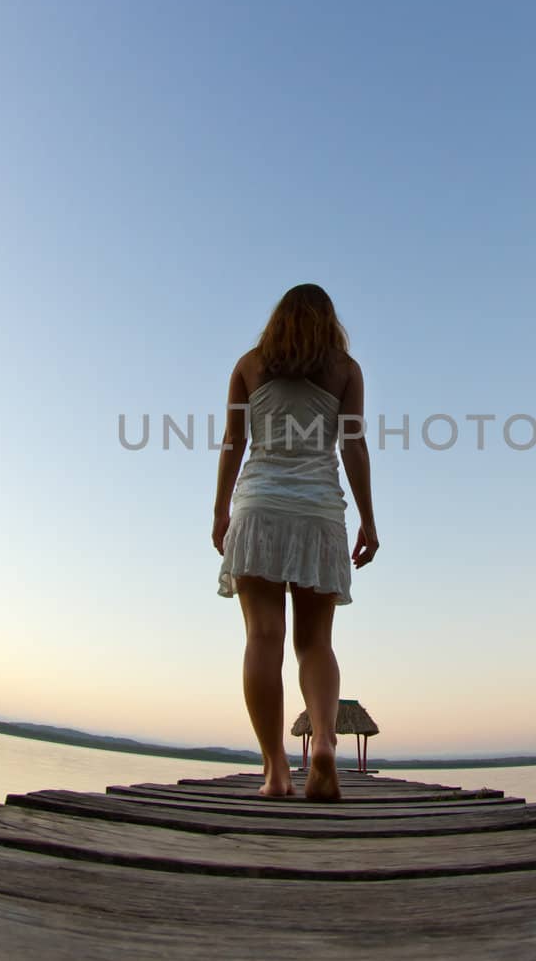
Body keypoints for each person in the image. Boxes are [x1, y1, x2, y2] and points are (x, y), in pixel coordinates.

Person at [212, 283, 379, 799]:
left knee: (263, 638)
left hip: (260, 507)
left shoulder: (249, 364)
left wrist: (220, 510)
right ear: (330, 322)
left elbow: (234, 442)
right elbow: (352, 445)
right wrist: (369, 522)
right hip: (319, 514)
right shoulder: (346, 371)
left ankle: (275, 770)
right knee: (315, 644)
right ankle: (325, 743)